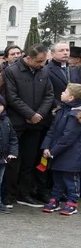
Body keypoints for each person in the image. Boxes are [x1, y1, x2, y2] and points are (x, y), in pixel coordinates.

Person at [2, 44, 53, 208]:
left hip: (36, 123)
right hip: (17, 123)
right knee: (13, 161)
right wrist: (30, 114)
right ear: (28, 58)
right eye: (39, 61)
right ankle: (8, 194)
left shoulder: (44, 71)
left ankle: (24, 193)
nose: (42, 64)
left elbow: (49, 95)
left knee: (30, 161)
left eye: (44, 61)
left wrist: (40, 115)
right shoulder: (11, 71)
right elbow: (12, 97)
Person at [40, 83, 81, 216]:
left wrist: (53, 151)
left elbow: (69, 137)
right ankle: (55, 199)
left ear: (71, 98)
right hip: (56, 152)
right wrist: (46, 147)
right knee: (57, 178)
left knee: (71, 179)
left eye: (65, 92)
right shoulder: (61, 111)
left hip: (71, 154)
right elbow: (51, 131)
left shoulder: (76, 114)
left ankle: (72, 202)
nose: (62, 93)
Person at [46, 42, 81, 107]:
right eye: (61, 50)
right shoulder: (45, 70)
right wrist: (59, 106)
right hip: (57, 110)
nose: (65, 53)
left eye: (67, 50)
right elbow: (46, 93)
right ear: (52, 54)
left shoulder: (77, 69)